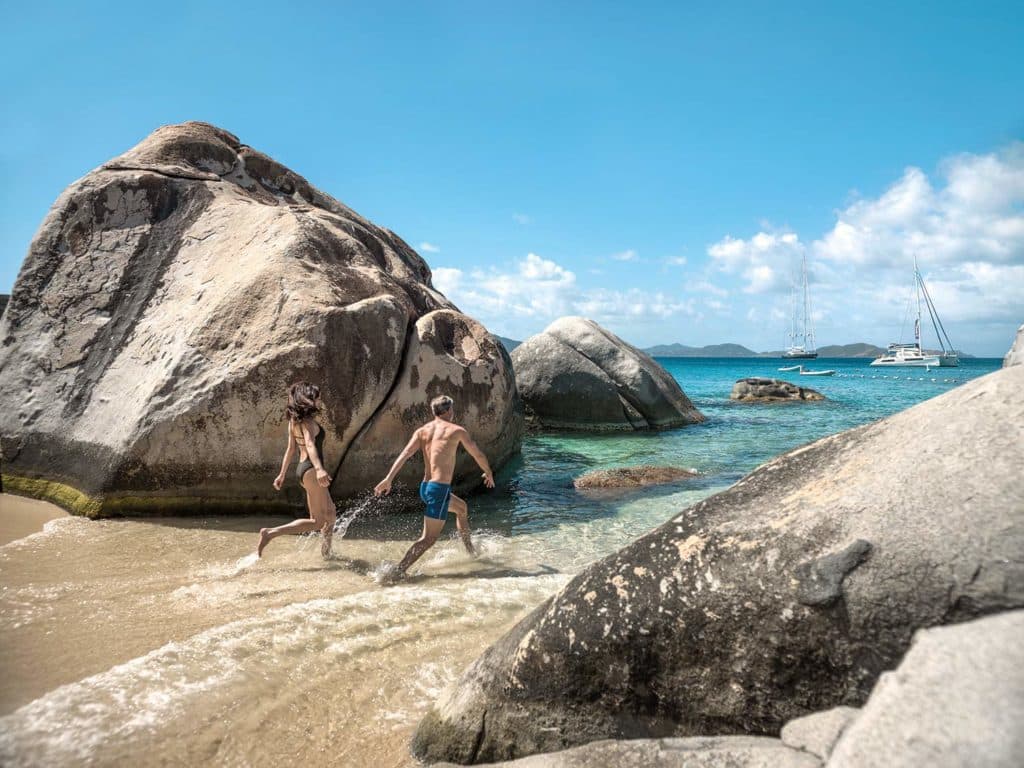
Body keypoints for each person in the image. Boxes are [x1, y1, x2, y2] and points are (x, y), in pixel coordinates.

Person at [374, 394, 494, 578]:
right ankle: (397, 571)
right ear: (448, 411)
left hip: (426, 487)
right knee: (429, 539)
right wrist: (488, 472)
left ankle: (470, 551)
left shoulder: (422, 431)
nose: (453, 412)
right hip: (438, 490)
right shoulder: (456, 430)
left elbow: (405, 454)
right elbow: (477, 454)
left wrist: (388, 478)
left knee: (461, 509)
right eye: (452, 409)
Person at [257, 382, 337, 559]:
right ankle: (270, 533)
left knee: (331, 513)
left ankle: (327, 554)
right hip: (311, 470)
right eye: (317, 397)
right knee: (317, 522)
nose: (320, 400)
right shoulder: (307, 422)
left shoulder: (293, 422)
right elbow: (309, 444)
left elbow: (291, 449)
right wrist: (319, 469)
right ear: (309, 399)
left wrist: (282, 474)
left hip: (303, 471)